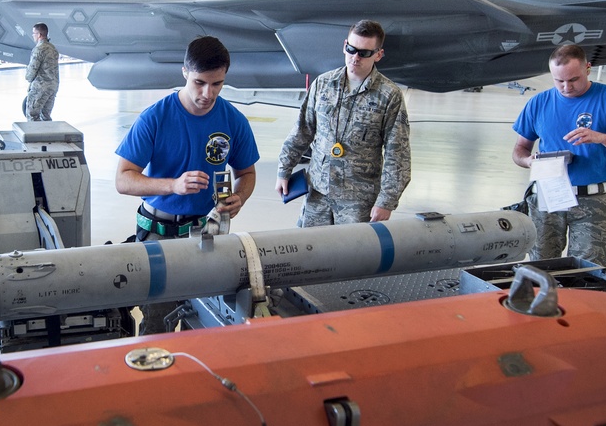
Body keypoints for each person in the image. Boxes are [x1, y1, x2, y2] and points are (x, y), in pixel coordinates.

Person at [115, 35, 259, 334]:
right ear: (184, 72)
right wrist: (173, 186)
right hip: (159, 235)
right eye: (199, 82)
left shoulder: (233, 120)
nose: (208, 93)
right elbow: (123, 179)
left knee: (208, 321)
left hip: (208, 233)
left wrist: (239, 197)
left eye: (217, 84)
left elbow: (247, 173)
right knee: (158, 321)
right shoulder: (155, 118)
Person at [512, 44, 606, 267]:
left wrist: (603, 138)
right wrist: (529, 161)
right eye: (559, 81)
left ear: (587, 68)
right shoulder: (539, 103)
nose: (566, 87)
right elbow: (519, 150)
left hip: (592, 202)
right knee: (539, 270)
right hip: (547, 196)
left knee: (589, 274)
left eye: (573, 79)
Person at [276, 20, 411, 226]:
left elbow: (398, 155)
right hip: (317, 194)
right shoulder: (323, 84)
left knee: (354, 256)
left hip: (358, 201)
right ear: (344, 45)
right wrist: (284, 170)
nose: (355, 57)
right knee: (310, 252)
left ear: (378, 55)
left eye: (364, 53)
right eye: (351, 49)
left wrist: (386, 201)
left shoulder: (389, 96)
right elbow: (302, 131)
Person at [24, 22, 59, 121]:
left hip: (40, 88)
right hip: (52, 87)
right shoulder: (53, 48)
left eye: (34, 33)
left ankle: (36, 136)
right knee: (46, 117)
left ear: (39, 35)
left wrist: (27, 77)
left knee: (32, 116)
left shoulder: (39, 49)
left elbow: (32, 70)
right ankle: (50, 136)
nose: (33, 36)